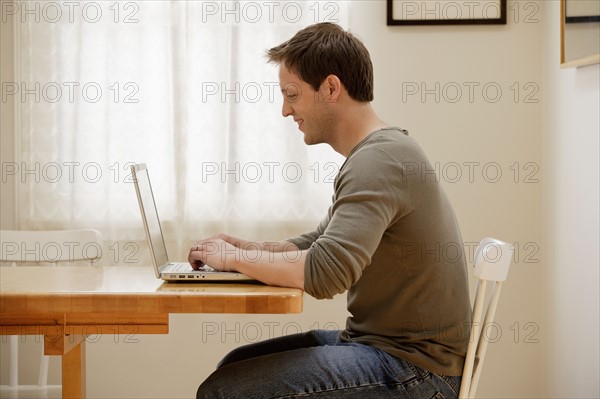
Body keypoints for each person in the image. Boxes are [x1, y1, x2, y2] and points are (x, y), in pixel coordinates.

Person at [189, 22, 472, 398]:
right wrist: (238, 248)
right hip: (385, 349)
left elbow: (325, 273)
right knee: (235, 366)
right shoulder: (376, 154)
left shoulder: (380, 161)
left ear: (331, 88)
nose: (285, 110)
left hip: (417, 372)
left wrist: (235, 259)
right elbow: (318, 243)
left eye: (292, 95)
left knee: (225, 391)